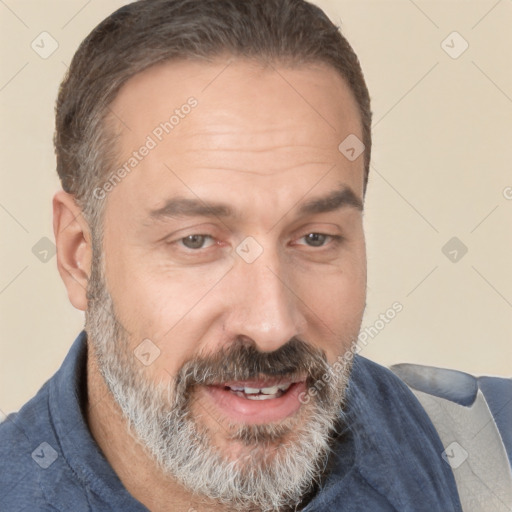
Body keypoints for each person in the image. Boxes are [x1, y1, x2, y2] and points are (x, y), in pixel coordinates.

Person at [0, 0, 510, 511]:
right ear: (78, 255)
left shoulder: (494, 459)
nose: (272, 326)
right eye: (197, 241)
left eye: (314, 238)